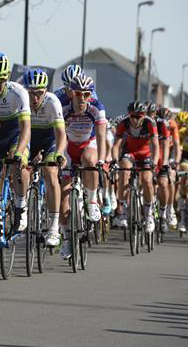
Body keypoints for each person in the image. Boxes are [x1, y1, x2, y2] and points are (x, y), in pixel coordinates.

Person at [58, 75, 107, 259]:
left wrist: (101, 160)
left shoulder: (96, 108)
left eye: (86, 94)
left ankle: (92, 201)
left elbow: (101, 137)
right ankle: (66, 239)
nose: (82, 98)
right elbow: (59, 135)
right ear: (72, 93)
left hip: (89, 144)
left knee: (90, 159)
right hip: (69, 148)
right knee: (64, 197)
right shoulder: (63, 108)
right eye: (78, 94)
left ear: (90, 95)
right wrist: (59, 157)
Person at [0, 52, 31, 231]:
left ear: (7, 78)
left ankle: (20, 204)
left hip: (15, 135)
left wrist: (20, 152)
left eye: (0, 80)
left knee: (17, 162)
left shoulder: (18, 92)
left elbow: (26, 126)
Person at [23, 68, 67, 248]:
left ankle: (54, 227)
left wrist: (59, 154)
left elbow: (61, 134)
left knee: (50, 172)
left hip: (50, 138)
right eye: (31, 93)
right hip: (29, 137)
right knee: (19, 167)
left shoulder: (52, 102)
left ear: (45, 92)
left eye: (39, 93)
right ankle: (21, 211)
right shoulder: (21, 100)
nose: (34, 98)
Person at [112, 101, 159, 232]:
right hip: (130, 152)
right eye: (133, 116)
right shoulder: (124, 123)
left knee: (146, 180)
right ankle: (123, 212)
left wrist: (154, 163)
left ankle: (148, 214)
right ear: (129, 114)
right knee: (124, 172)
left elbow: (155, 145)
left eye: (138, 116)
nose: (135, 119)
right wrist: (115, 160)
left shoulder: (150, 123)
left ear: (144, 116)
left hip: (145, 154)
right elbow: (116, 145)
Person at [148, 104, 171, 233]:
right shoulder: (143, 123)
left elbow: (166, 145)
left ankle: (163, 213)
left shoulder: (162, 124)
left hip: (161, 155)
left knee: (163, 184)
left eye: (152, 113)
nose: (149, 116)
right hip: (148, 155)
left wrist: (166, 162)